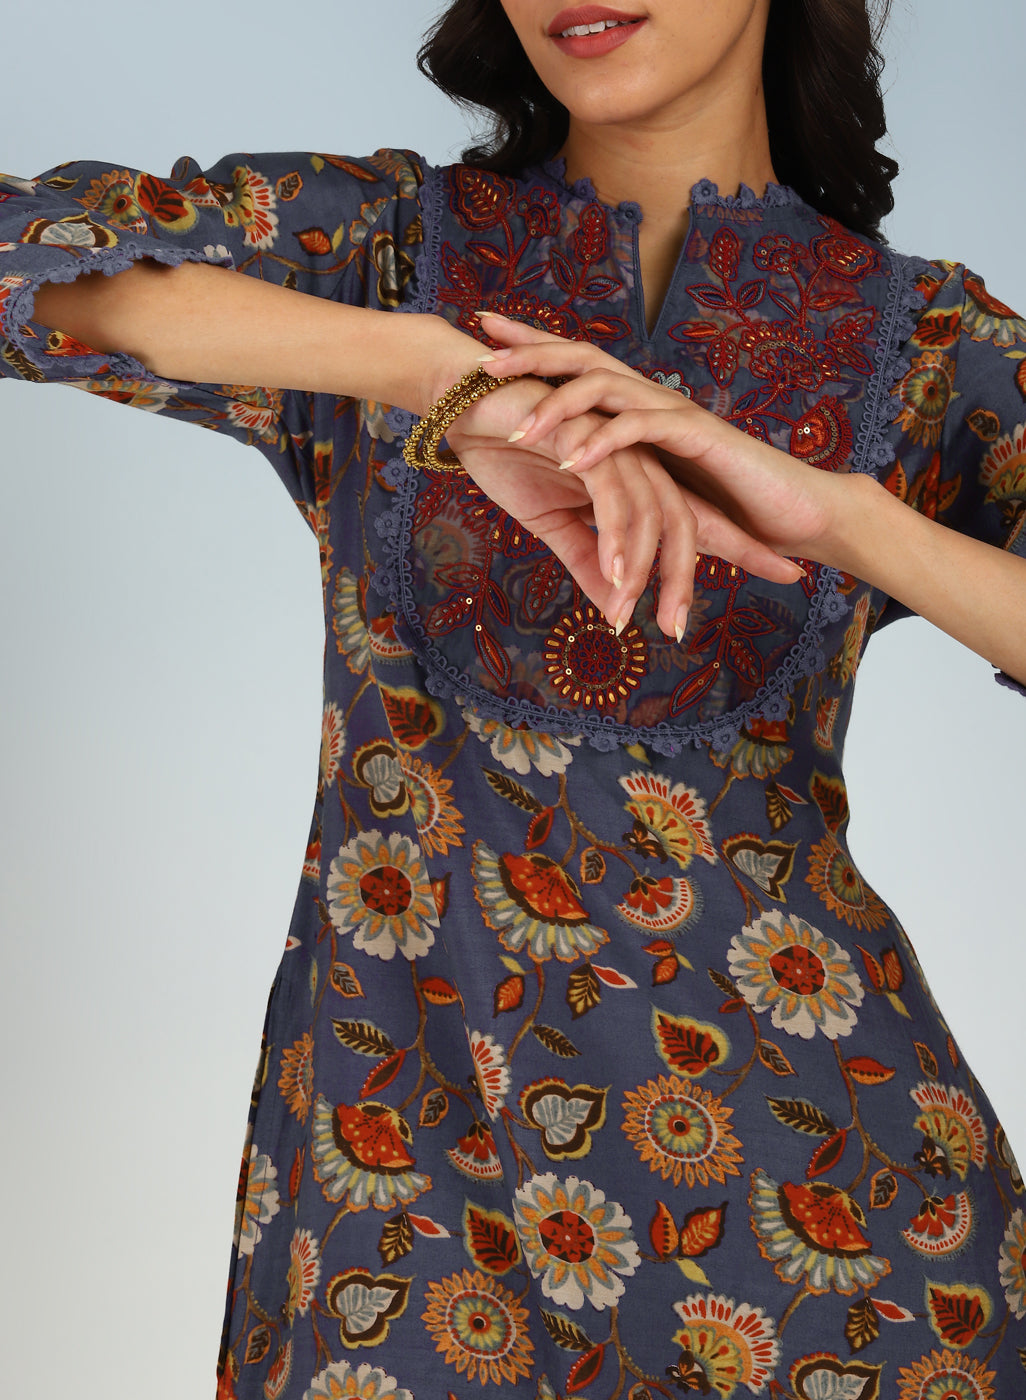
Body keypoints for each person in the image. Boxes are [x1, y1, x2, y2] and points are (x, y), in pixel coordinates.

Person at [2, 1, 1025, 1397]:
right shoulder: (385, 254)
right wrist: (440, 371)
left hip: (840, 1228)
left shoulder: (925, 341)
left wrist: (843, 516)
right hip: (404, 1195)